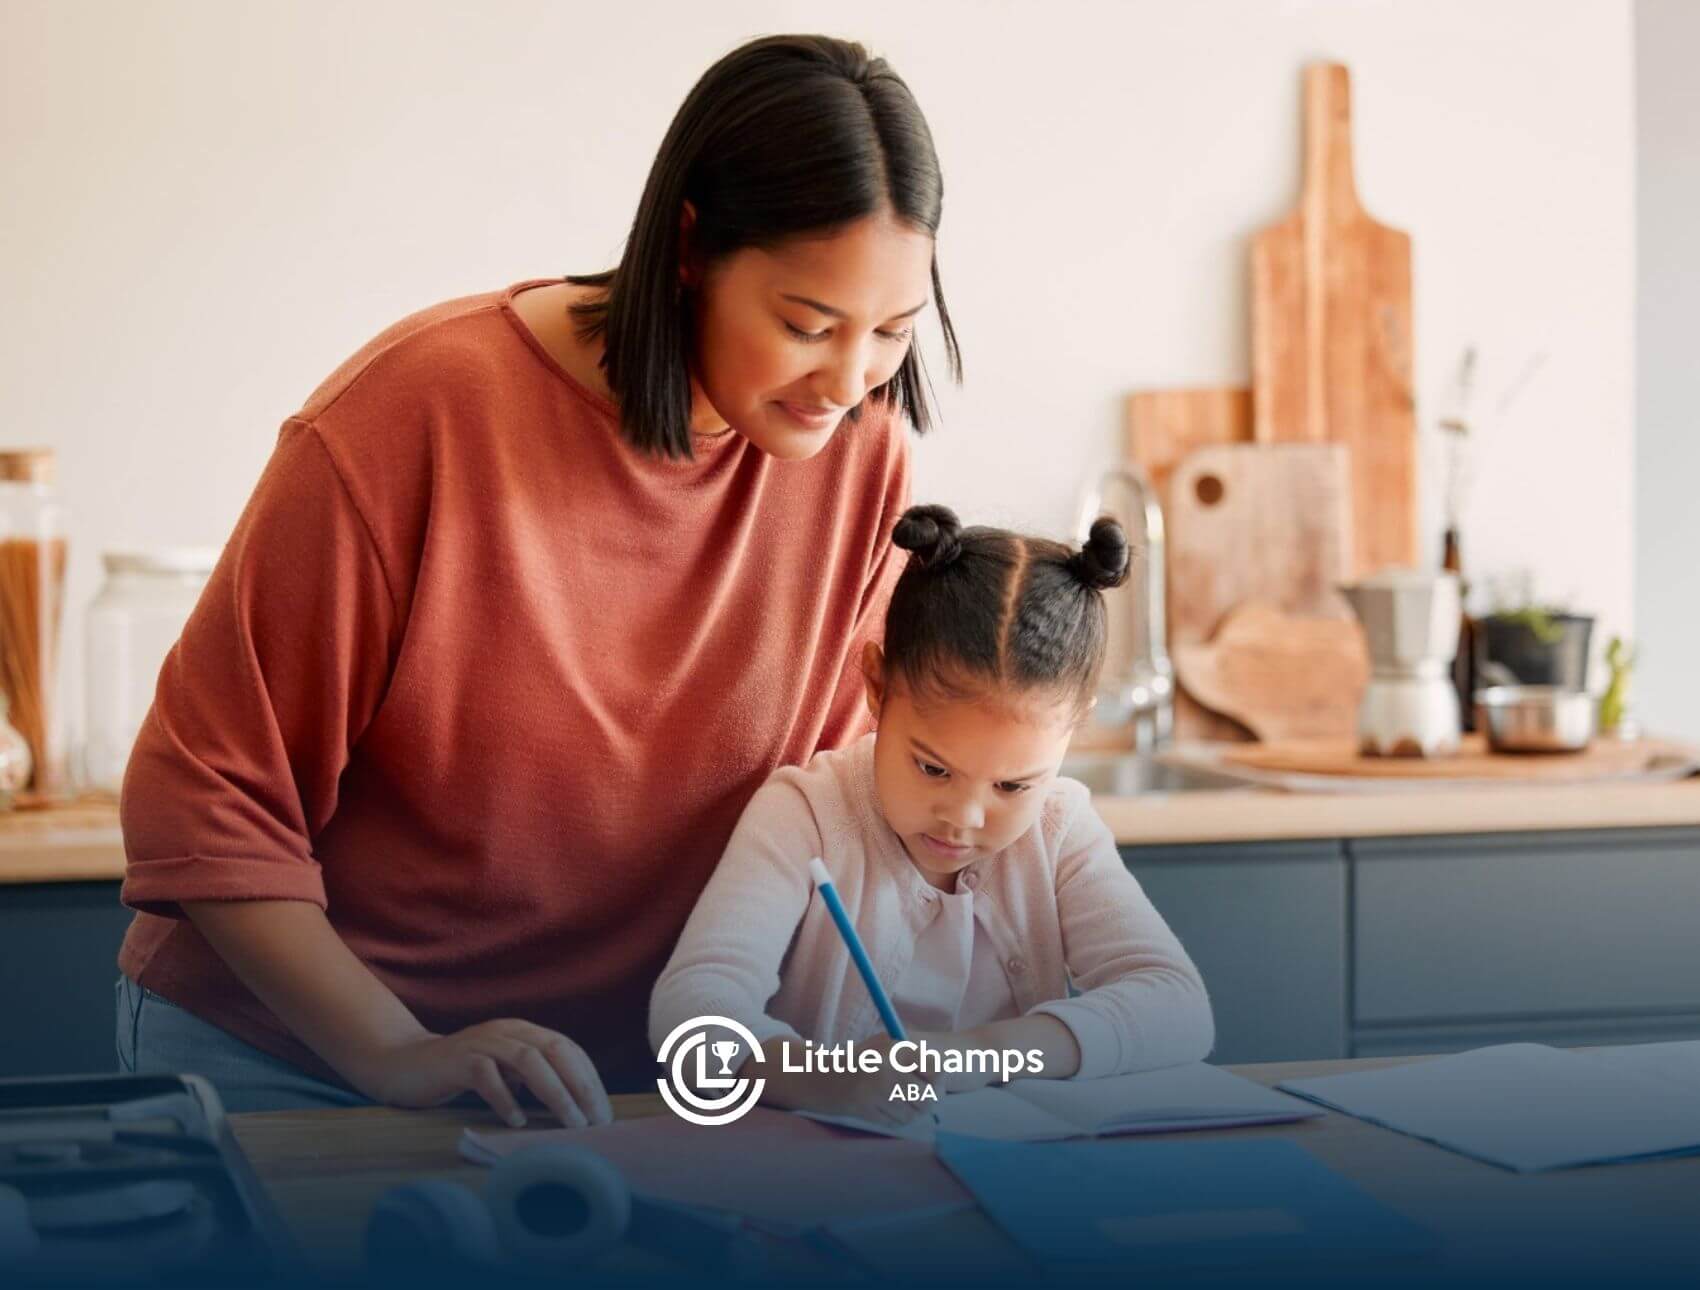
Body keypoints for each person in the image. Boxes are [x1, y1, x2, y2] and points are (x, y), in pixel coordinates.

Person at [115, 34, 961, 1124]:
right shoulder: (416, 415)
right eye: (806, 326)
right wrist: (395, 1053)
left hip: (599, 1091)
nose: (845, 382)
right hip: (301, 1060)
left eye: (891, 332)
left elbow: (830, 802)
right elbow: (204, 798)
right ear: (692, 246)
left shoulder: (858, 454)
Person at [649, 505, 1215, 1127]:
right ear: (877, 686)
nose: (964, 818)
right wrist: (822, 1080)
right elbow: (692, 1017)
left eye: (1012, 785)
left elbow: (1179, 1007)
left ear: (1075, 732)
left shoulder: (1061, 828)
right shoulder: (805, 815)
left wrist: (974, 1058)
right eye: (933, 769)